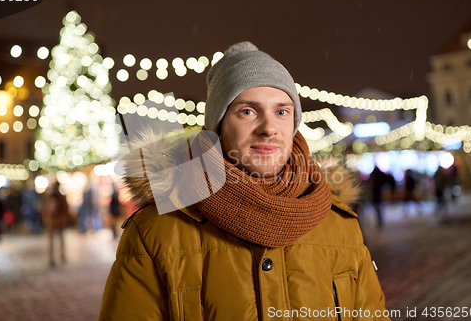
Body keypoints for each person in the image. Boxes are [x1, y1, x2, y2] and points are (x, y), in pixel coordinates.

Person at [99, 42, 390, 320]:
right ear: (218, 126)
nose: (268, 128)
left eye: (281, 111)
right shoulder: (154, 234)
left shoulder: (340, 225)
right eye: (247, 111)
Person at [39, 181, 70, 267]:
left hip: (55, 222)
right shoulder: (52, 197)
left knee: (55, 241)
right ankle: (56, 257)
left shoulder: (52, 197)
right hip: (55, 222)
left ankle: (56, 257)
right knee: (55, 241)